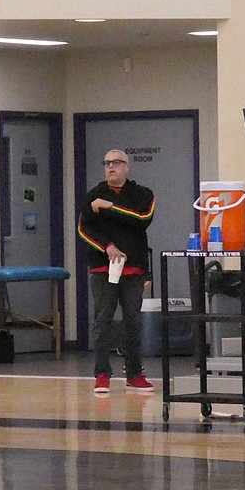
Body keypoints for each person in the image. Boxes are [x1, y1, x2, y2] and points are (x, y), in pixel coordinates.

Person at [77, 149, 156, 394]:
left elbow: (141, 219)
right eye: (107, 163)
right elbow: (83, 229)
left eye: (116, 163)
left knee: (133, 321)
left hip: (134, 269)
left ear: (127, 167)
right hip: (103, 268)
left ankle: (134, 374)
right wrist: (107, 246)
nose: (111, 167)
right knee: (102, 320)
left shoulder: (142, 194)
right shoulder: (94, 195)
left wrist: (109, 207)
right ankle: (102, 374)